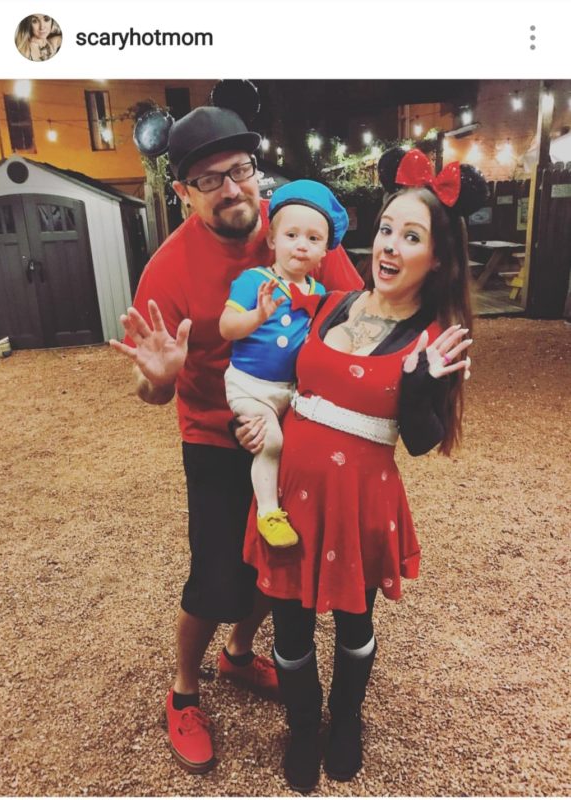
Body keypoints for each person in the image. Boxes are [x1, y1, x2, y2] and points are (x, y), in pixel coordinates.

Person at [109, 105, 363, 774]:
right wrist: (158, 380)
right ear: (183, 193)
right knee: (217, 577)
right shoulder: (167, 270)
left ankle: (241, 655)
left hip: (298, 426)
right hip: (214, 435)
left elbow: (355, 319)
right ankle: (185, 690)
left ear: (258, 170)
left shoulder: (296, 227)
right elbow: (150, 390)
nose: (231, 189)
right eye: (209, 178)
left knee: (277, 565)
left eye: (241, 170)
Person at [242, 147, 489, 792]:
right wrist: (256, 417)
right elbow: (272, 371)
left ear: (436, 259)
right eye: (385, 228)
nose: (390, 244)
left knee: (355, 621)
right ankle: (302, 723)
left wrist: (419, 388)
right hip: (289, 497)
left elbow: (423, 442)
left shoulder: (435, 336)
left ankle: (345, 718)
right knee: (290, 624)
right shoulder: (329, 303)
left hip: (361, 501)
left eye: (411, 236)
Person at [219, 180, 349, 548]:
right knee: (271, 441)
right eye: (292, 234)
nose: (302, 245)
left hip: (291, 392)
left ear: (325, 251)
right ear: (272, 240)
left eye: (313, 239)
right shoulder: (254, 281)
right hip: (250, 386)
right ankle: (268, 514)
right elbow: (226, 328)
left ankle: (311, 515)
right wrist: (257, 317)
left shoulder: (319, 293)